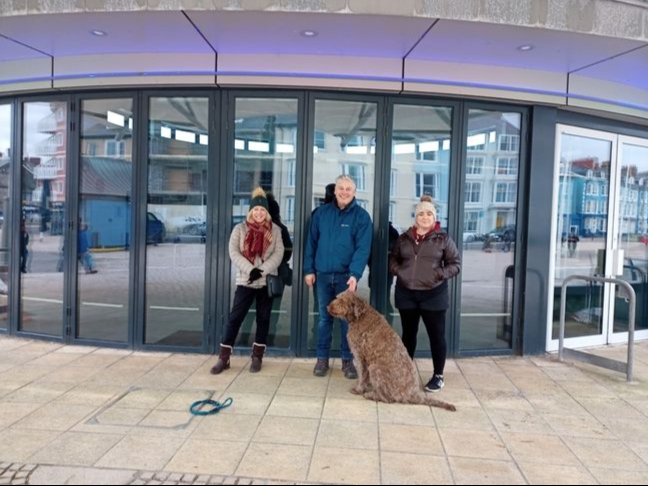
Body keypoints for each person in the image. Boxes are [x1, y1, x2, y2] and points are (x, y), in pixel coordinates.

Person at [388, 195, 461, 393]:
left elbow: (455, 264)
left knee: (436, 336)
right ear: (416, 216)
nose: (425, 217)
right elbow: (393, 259)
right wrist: (399, 272)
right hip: (407, 294)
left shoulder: (443, 239)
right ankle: (405, 371)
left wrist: (438, 274)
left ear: (434, 217)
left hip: (434, 295)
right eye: (421, 213)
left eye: (429, 213)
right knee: (408, 336)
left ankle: (438, 375)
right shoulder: (404, 238)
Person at [304, 174, 373, 378]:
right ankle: (322, 359)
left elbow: (362, 249)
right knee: (324, 320)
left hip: (346, 278)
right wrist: (309, 269)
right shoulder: (321, 214)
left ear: (354, 193)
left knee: (346, 322)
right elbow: (311, 243)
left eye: (348, 189)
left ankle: (347, 362)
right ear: (335, 190)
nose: (344, 192)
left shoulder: (361, 217)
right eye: (341, 188)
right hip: (323, 276)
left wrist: (355, 274)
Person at [210, 187, 284, 375]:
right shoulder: (240, 229)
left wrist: (261, 271)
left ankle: (257, 356)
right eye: (256, 210)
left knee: (263, 318)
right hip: (245, 281)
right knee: (235, 318)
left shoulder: (275, 230)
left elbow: (279, 253)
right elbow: (233, 252)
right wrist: (251, 270)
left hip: (266, 282)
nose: (259, 213)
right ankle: (224, 357)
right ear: (250, 211)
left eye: (263, 210)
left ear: (267, 212)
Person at [265, 192, 293, 346]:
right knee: (273, 310)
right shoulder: (281, 229)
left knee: (252, 309)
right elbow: (288, 251)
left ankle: (244, 338)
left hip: (260, 275)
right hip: (277, 275)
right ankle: (269, 338)